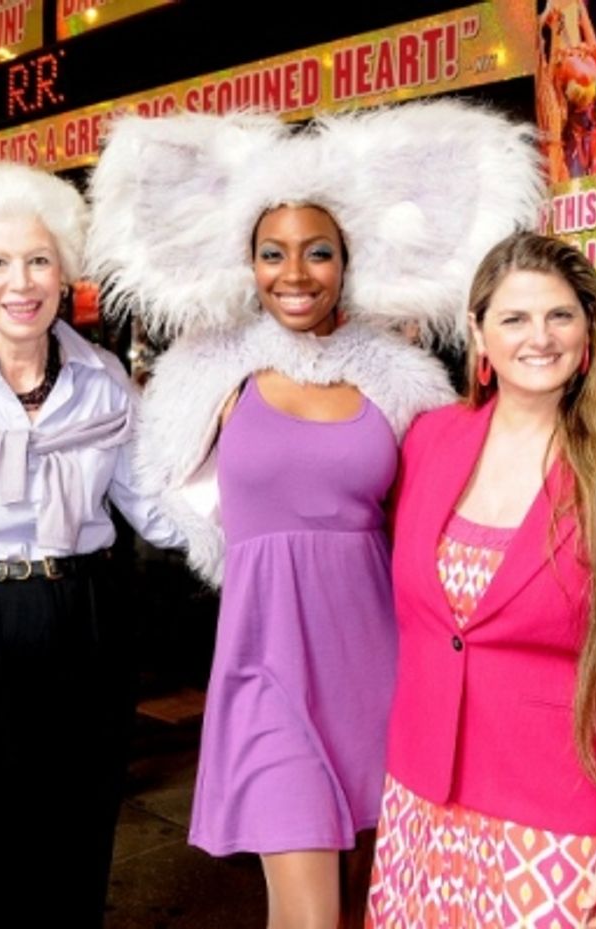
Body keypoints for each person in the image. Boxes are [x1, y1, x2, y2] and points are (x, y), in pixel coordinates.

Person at [86, 103, 543, 929]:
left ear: (348, 260)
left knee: (376, 895)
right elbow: (156, 489)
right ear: (246, 261)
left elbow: (449, 516)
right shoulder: (208, 375)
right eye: (273, 252)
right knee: (308, 914)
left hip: (382, 669)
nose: (294, 273)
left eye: (318, 251)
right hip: (265, 669)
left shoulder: (401, 383)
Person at [367, 233, 596, 928]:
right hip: (421, 807)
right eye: (514, 318)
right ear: (478, 334)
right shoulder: (429, 439)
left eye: (560, 315)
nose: (539, 337)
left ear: (588, 330)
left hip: (557, 826)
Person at [0, 161, 184, 927]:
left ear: (64, 274)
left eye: (37, 260)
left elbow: (154, 508)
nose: (19, 281)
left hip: (89, 611)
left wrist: (257, 496)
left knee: (85, 829)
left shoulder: (105, 385)